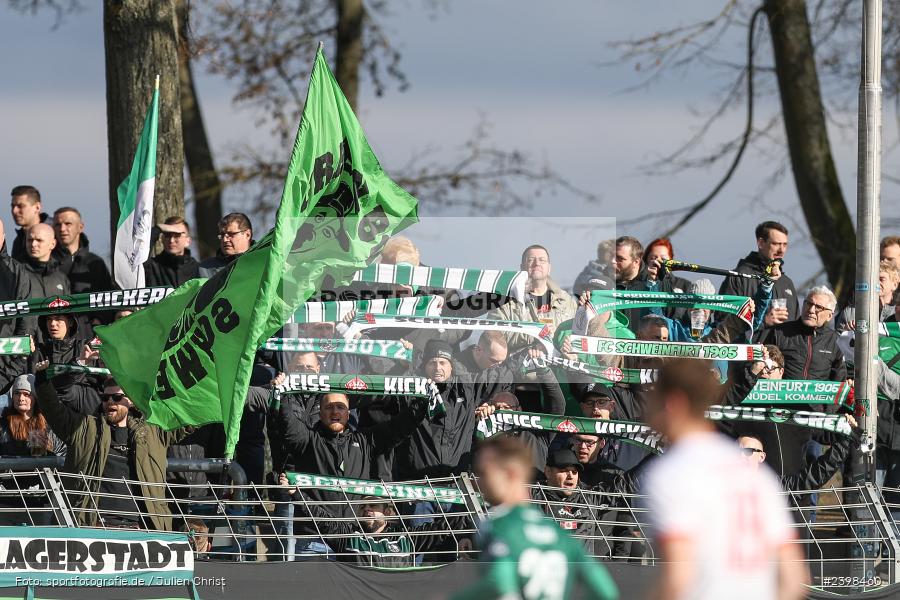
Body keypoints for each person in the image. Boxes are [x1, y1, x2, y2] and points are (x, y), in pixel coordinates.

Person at [642, 358, 808, 600]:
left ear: (673, 404)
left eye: (652, 398)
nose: (647, 408)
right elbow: (793, 578)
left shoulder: (671, 474)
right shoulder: (757, 476)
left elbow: (678, 578)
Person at [453, 436, 619, 600]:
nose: (478, 482)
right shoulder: (559, 534)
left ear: (510, 474)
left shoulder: (498, 526)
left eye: (484, 473)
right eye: (564, 470)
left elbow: (499, 585)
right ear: (547, 472)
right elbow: (606, 591)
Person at [33, 371, 191, 530]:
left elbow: (189, 418)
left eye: (116, 397)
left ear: (130, 401)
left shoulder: (154, 432)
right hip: (95, 526)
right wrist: (41, 380)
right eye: (105, 398)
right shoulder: (85, 427)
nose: (110, 402)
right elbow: (53, 410)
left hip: (142, 528)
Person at [284, 488, 466, 567]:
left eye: (373, 506)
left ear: (387, 512)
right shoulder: (348, 535)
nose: (366, 509)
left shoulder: (406, 538)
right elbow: (321, 517)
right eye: (362, 507)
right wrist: (296, 494)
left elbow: (444, 527)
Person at [489, 245, 576, 352]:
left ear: (549, 268)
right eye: (530, 260)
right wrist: (535, 333)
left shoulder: (566, 300)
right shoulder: (505, 301)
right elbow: (493, 336)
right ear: (522, 267)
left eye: (542, 260)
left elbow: (577, 334)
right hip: (519, 361)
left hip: (559, 361)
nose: (537, 263)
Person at [737, 416, 855, 492]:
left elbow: (816, 474)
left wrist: (848, 435)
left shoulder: (773, 486)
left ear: (761, 457)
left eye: (748, 451)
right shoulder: (725, 484)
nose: (740, 456)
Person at [759, 286, 846, 386]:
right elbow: (760, 366)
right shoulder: (779, 332)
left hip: (818, 396)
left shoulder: (834, 340)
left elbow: (839, 379)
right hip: (784, 395)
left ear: (829, 316)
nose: (811, 310)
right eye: (809, 303)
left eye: (818, 307)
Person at [720, 221, 799, 327]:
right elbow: (722, 322)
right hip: (750, 338)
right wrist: (764, 321)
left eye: (785, 244)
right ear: (761, 243)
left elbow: (797, 326)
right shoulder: (739, 277)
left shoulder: (787, 283)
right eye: (776, 244)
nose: (781, 250)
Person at [51, 207, 112, 295]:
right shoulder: (46, 262)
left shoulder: (95, 263)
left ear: (80, 227)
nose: (62, 229)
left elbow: (108, 296)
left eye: (68, 224)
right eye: (58, 224)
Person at [0, 374, 64, 458]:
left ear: (35, 398)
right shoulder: (3, 425)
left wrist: (46, 453)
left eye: (26, 394)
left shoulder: (49, 425)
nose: (21, 398)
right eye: (17, 393)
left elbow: (62, 454)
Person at [835, 259, 899, 331]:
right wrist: (845, 332)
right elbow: (837, 337)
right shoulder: (851, 312)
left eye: (881, 279)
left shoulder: (898, 312)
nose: (876, 283)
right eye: (873, 279)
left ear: (894, 285)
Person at [143, 216, 200, 287]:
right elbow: (140, 252)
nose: (171, 240)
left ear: (188, 241)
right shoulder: (152, 266)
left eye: (177, 235)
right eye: (167, 235)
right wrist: (157, 229)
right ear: (162, 239)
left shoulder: (197, 269)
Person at [198, 212, 253, 278]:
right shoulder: (205, 269)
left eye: (231, 234)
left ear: (247, 235)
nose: (225, 240)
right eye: (222, 235)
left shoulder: (261, 262)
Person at [9, 185, 50, 263]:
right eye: (13, 206)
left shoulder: (57, 233)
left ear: (37, 207)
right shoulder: (18, 241)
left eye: (20, 206)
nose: (14, 211)